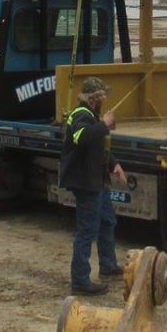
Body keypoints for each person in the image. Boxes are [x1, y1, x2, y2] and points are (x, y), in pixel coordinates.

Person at [59, 75, 125, 294]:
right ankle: (80, 281)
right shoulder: (80, 115)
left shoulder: (92, 116)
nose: (104, 99)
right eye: (102, 96)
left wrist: (114, 164)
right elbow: (83, 138)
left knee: (107, 221)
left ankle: (108, 265)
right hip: (85, 182)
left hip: (97, 179)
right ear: (93, 98)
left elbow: (99, 147)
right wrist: (104, 124)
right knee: (87, 231)